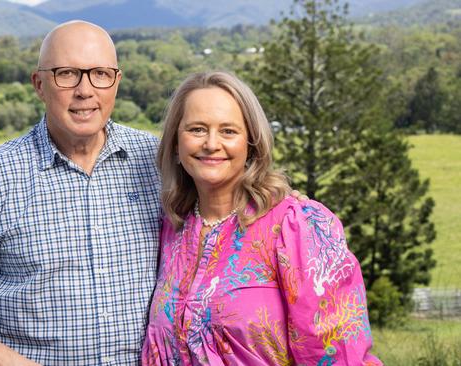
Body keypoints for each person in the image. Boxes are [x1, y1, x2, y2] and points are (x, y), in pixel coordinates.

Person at [0, 20, 161, 365]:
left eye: (100, 74)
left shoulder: (157, 162)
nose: (85, 90)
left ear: (116, 83)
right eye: (67, 74)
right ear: (39, 84)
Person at [141, 71, 382, 365]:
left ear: (251, 145)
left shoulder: (296, 225)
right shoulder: (172, 228)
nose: (211, 143)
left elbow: (338, 354)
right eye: (197, 129)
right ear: (176, 145)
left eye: (228, 131)